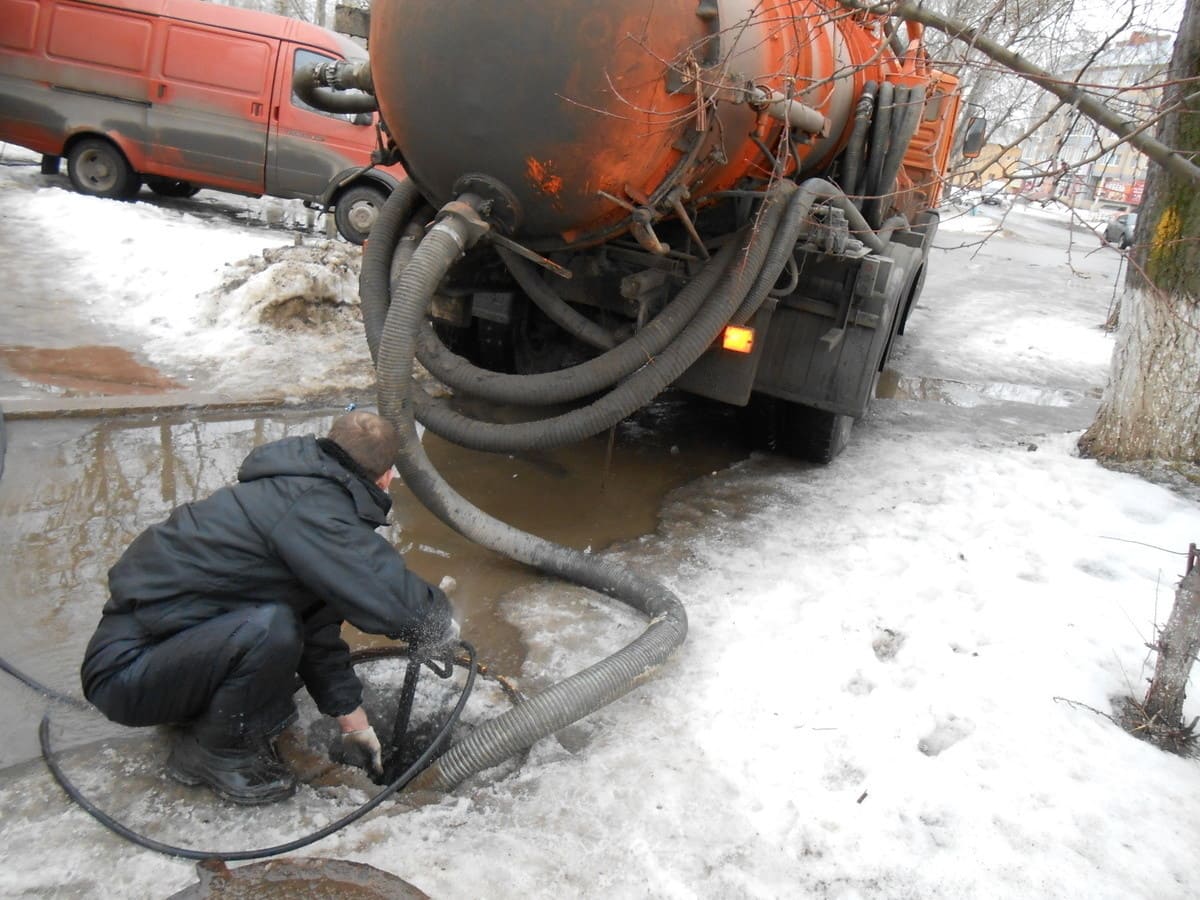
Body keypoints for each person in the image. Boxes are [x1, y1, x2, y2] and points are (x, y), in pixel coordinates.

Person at [80, 411, 455, 805]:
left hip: (158, 657)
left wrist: (351, 720)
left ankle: (203, 719)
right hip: (127, 675)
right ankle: (210, 756)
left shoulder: (296, 493)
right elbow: (395, 600)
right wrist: (441, 624)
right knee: (270, 629)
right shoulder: (315, 512)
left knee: (278, 624)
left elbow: (316, 626)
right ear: (386, 476)